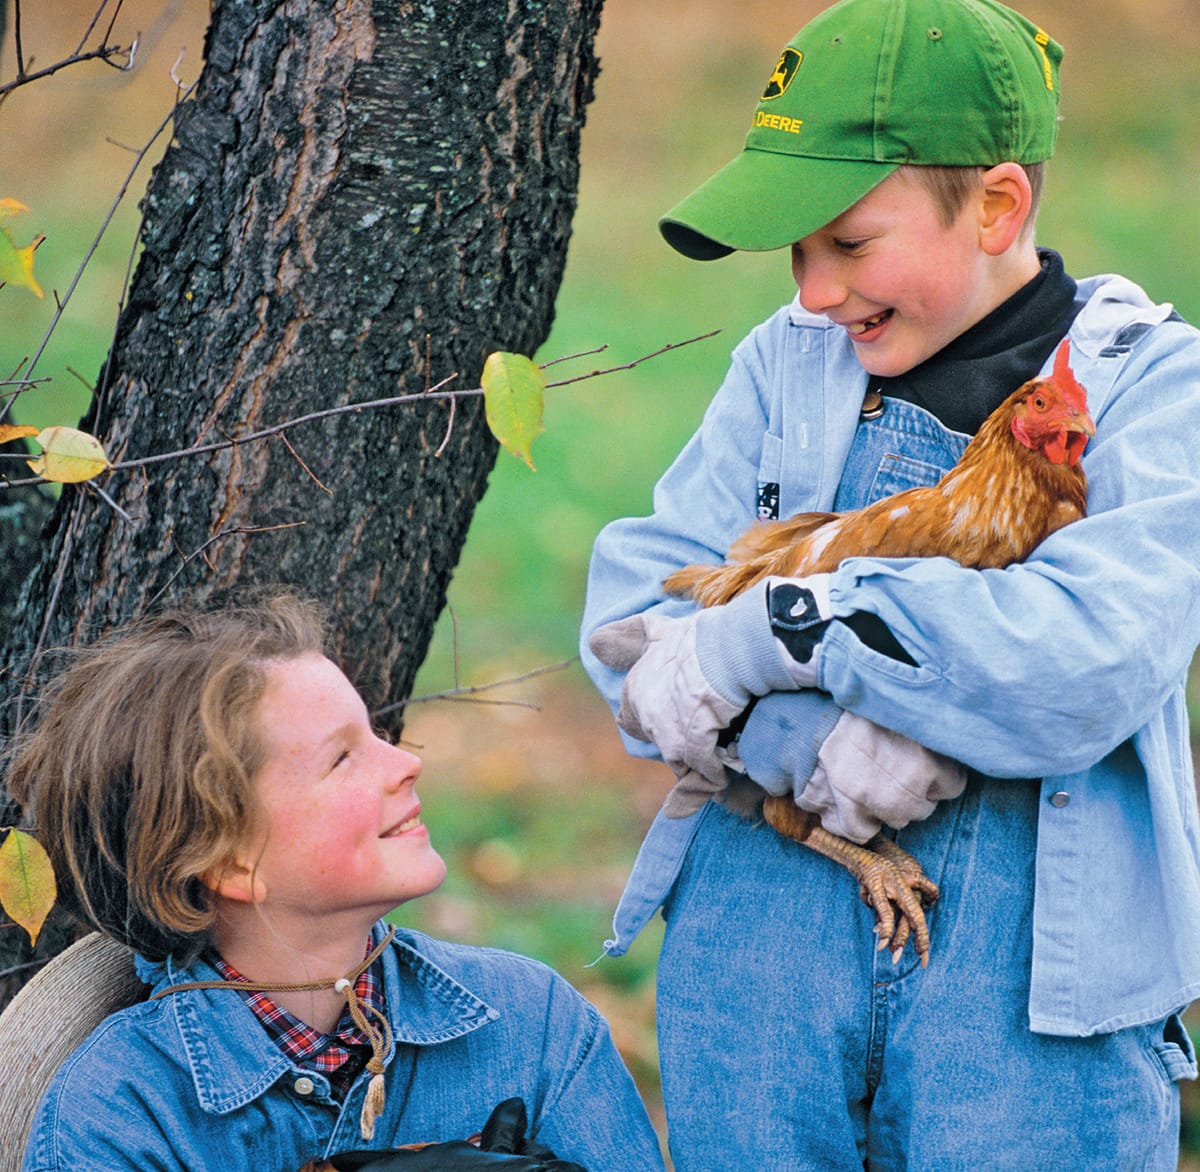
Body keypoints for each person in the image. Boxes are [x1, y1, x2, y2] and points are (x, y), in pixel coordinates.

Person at [580, 0, 1200, 1167]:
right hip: (760, 961)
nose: (815, 291)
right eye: (795, 252)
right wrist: (793, 745)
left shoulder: (1154, 389)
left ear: (999, 205)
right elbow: (635, 608)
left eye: (850, 243)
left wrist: (787, 634)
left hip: (1027, 1005)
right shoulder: (790, 363)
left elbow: (1083, 657)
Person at [9, 595, 665, 1171]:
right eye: (342, 757)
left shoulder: (532, 1025)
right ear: (229, 862)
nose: (406, 762)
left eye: (377, 731)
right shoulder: (120, 1117)